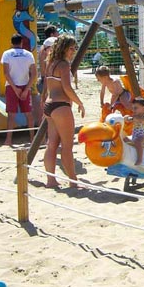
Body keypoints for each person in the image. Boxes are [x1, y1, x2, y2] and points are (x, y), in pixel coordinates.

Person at [41, 35, 85, 188]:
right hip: (61, 106)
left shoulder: (51, 63)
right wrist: (80, 103)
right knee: (67, 146)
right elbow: (67, 88)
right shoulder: (64, 65)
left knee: (51, 144)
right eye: (71, 48)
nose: (73, 51)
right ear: (64, 48)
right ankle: (73, 181)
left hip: (49, 105)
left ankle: (50, 180)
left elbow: (47, 87)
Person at [0, 33, 37, 145]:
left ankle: (8, 140)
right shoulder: (29, 54)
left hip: (11, 86)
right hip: (25, 85)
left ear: (11, 43)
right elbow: (34, 73)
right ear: (21, 42)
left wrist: (15, 89)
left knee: (11, 114)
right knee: (28, 113)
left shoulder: (7, 54)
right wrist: (26, 89)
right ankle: (32, 138)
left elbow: (6, 73)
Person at [124, 97, 144, 166]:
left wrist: (130, 119)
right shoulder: (136, 116)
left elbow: (138, 120)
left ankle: (140, 159)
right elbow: (132, 118)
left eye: (136, 108)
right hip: (134, 136)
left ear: (143, 108)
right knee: (124, 139)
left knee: (138, 142)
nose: (133, 110)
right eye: (133, 108)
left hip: (142, 137)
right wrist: (126, 117)